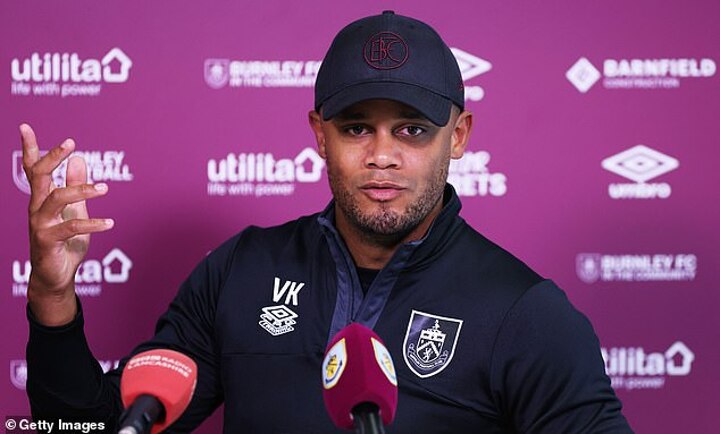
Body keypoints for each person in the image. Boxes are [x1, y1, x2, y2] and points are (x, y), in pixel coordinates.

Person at [21, 11, 633, 433]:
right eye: (357, 127)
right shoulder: (241, 271)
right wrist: (52, 294)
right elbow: (91, 426)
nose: (382, 156)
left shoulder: (525, 313)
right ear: (319, 134)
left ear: (459, 136)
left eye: (412, 130)